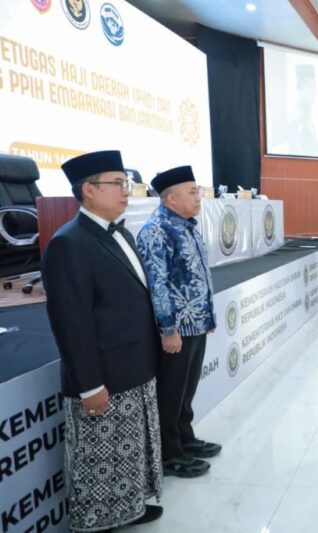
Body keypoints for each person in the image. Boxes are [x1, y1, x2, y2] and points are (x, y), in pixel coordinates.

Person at [42, 150, 163, 531]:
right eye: (116, 183)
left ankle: (130, 508)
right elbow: (71, 323)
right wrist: (90, 384)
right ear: (89, 191)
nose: (126, 191)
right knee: (101, 460)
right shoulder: (69, 244)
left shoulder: (121, 232)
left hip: (134, 367)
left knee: (131, 453)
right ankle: (97, 523)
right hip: (104, 377)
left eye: (126, 183)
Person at [137, 166, 221, 479]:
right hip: (176, 330)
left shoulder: (188, 227)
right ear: (171, 198)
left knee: (186, 390)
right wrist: (168, 329)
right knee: (170, 392)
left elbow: (198, 276)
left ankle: (185, 438)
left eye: (197, 191)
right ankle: (169, 454)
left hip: (197, 323)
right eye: (192, 191)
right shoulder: (156, 230)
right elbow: (157, 286)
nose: (198, 197)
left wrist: (207, 315)